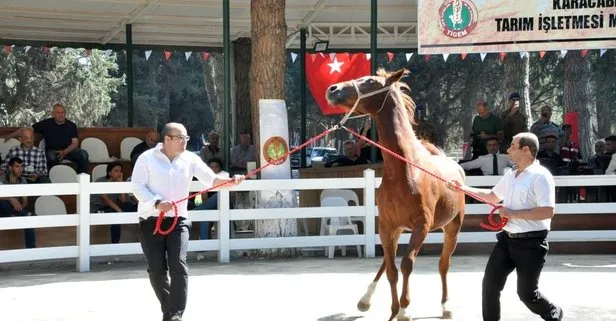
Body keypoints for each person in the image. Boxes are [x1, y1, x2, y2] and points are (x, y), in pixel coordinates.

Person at [131, 123, 244, 321]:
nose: (185, 141)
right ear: (167, 139)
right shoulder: (146, 158)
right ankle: (169, 308)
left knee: (178, 265)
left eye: (186, 138)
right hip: (151, 219)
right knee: (157, 269)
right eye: (180, 137)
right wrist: (157, 202)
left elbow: (212, 180)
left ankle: (175, 314)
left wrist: (232, 181)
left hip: (179, 220)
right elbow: (137, 187)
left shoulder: (190, 159)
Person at [448, 132, 563, 321]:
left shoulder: (541, 177)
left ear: (526, 150)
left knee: (527, 294)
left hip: (532, 244)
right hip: (507, 240)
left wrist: (512, 214)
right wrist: (462, 188)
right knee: (490, 285)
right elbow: (492, 197)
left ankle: (554, 314)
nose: (508, 150)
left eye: (512, 146)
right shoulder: (512, 175)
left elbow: (547, 211)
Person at [91, 162, 137, 244]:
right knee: (116, 215)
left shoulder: (118, 182)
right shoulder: (101, 181)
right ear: (109, 173)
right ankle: (115, 243)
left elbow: (123, 200)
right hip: (98, 208)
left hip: (110, 207)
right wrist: (119, 211)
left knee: (131, 205)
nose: (119, 173)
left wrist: (121, 184)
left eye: (120, 171)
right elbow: (105, 199)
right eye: (116, 171)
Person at [0, 157, 36, 248]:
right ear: (10, 168)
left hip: (13, 210)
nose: (20, 169)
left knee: (28, 218)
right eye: (17, 166)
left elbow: (25, 201)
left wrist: (19, 210)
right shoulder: (1, 178)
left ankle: (31, 250)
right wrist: (11, 199)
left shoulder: (23, 181)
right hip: (1, 209)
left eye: (22, 166)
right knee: (4, 203)